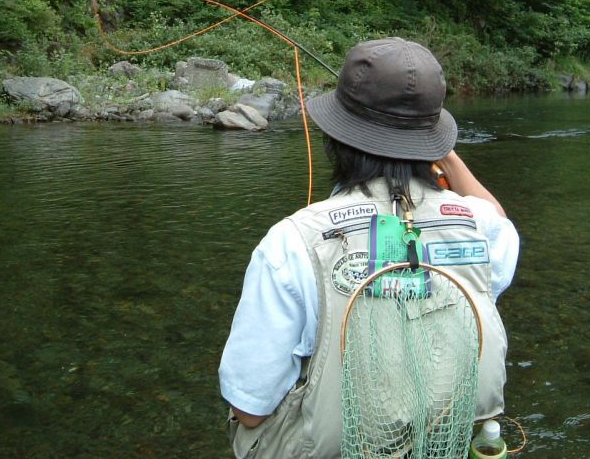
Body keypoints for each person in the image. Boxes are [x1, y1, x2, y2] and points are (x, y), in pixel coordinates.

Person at [219, 37, 519, 458]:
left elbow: (249, 408)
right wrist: (446, 157)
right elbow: (498, 219)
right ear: (432, 140)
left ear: (337, 136)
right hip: (442, 440)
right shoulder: (481, 227)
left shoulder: (291, 242)